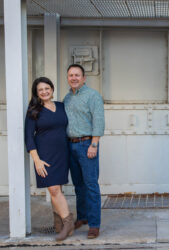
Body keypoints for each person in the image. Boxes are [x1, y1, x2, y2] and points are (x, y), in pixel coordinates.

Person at [25, 77, 74, 241]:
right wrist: (36, 160)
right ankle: (68, 223)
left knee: (57, 190)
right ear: (37, 93)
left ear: (52, 89)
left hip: (62, 153)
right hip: (44, 156)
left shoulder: (61, 106)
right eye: (41, 90)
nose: (44, 92)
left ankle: (58, 225)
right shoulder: (33, 110)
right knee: (53, 190)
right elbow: (29, 137)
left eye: (47, 88)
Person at [63, 64, 105, 239]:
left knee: (91, 185)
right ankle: (82, 217)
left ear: (84, 78)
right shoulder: (66, 98)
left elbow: (99, 121)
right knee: (78, 186)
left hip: (87, 144)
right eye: (71, 75)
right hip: (70, 146)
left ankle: (94, 225)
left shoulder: (93, 96)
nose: (74, 78)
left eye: (77, 75)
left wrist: (93, 145)